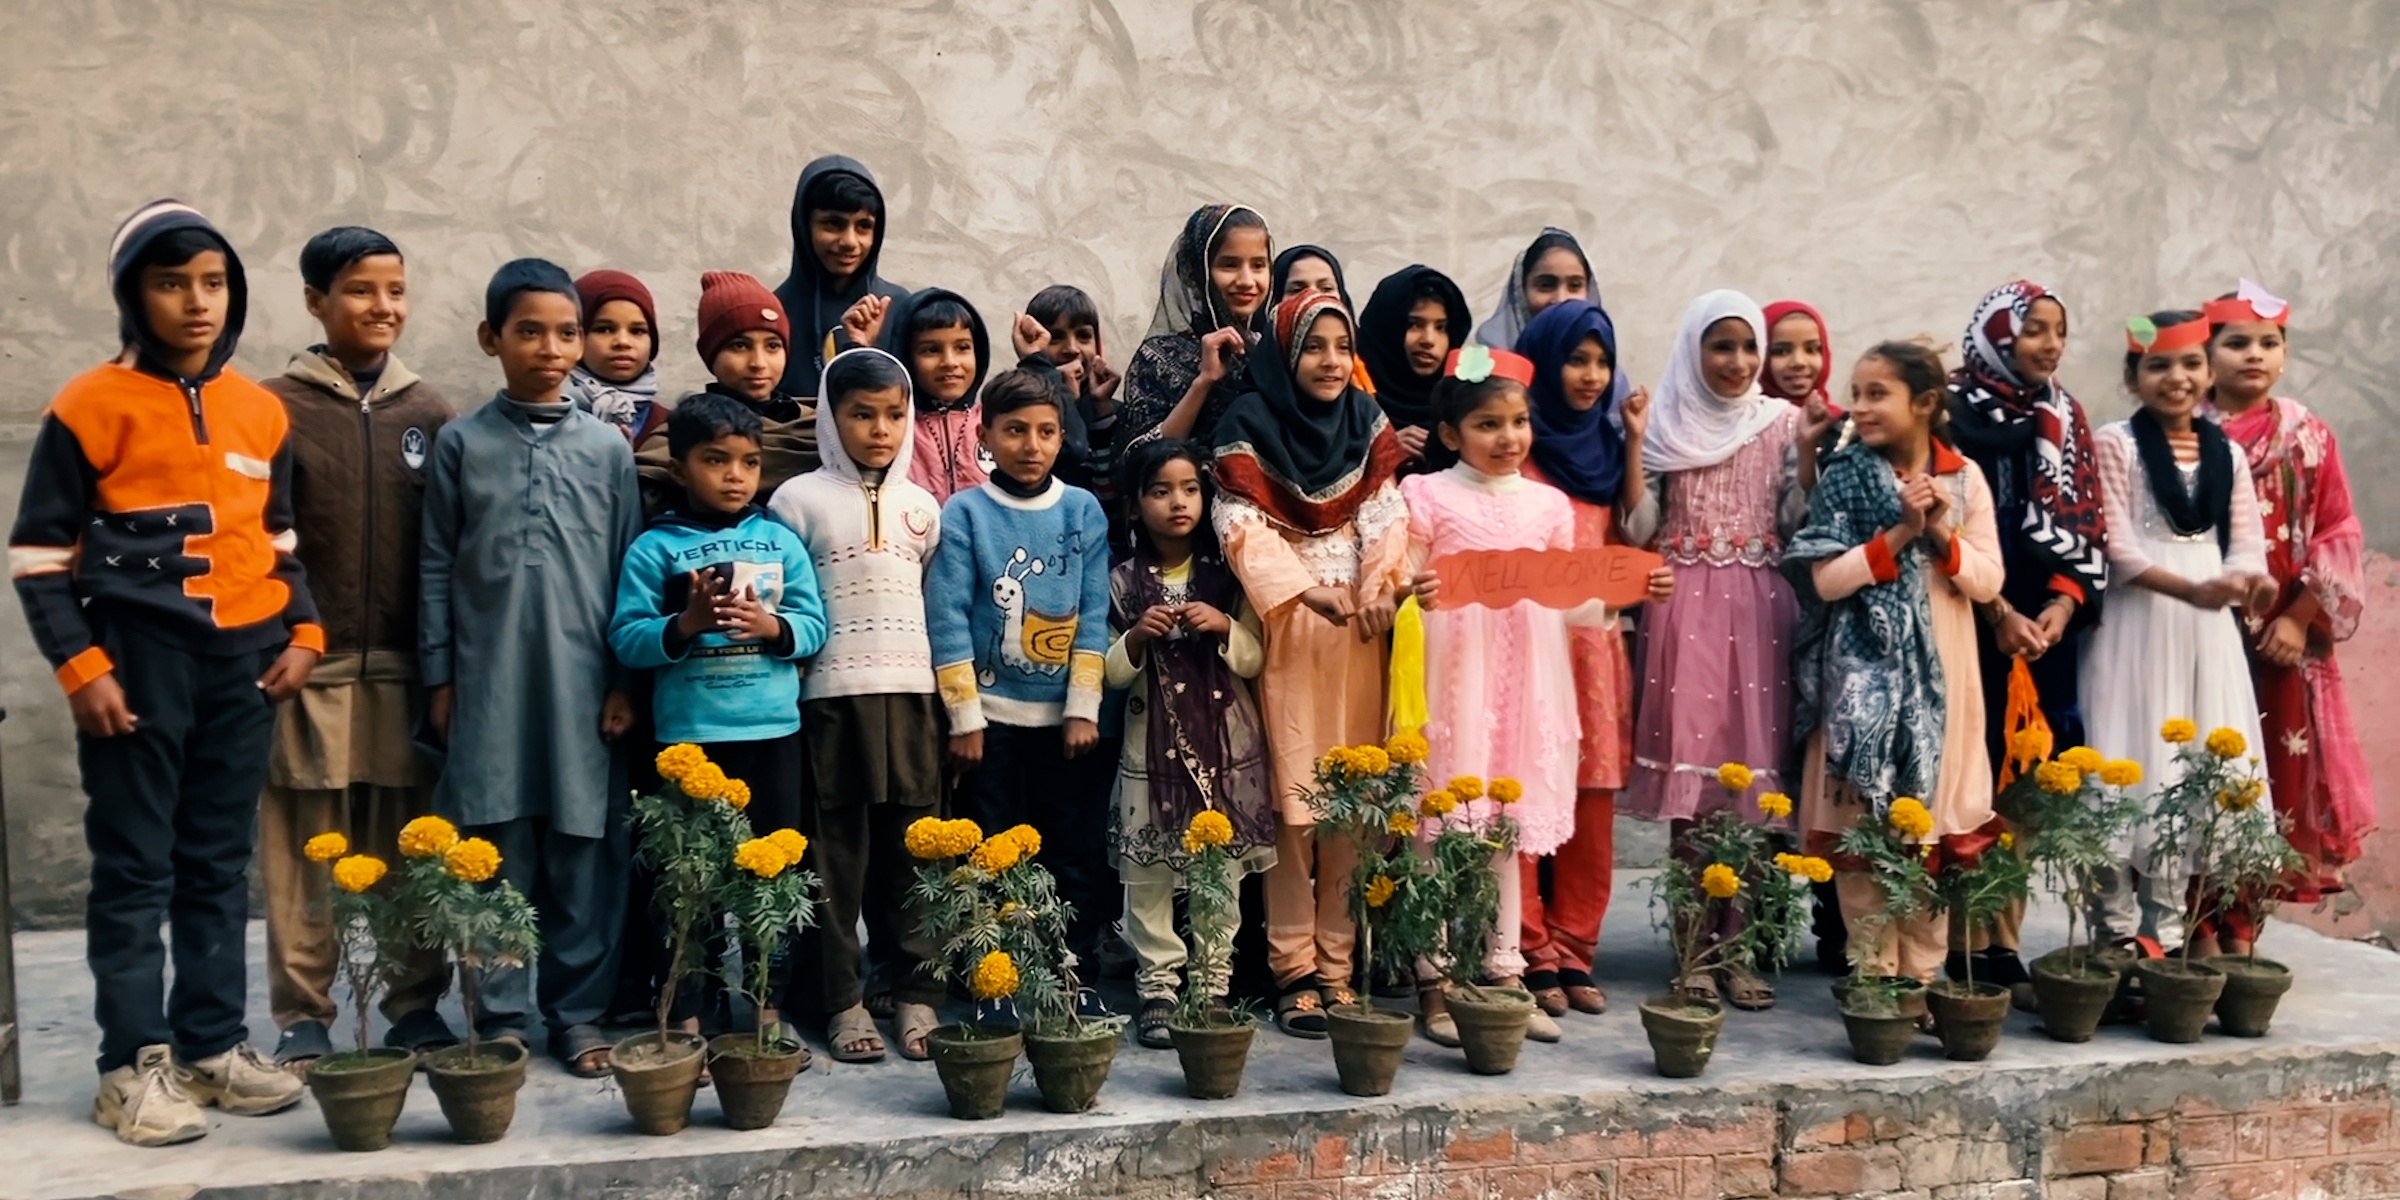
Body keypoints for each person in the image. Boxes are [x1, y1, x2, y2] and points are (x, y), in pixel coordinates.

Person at [10, 199, 321, 1143]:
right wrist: (82, 668)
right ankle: (129, 1065)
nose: (197, 303)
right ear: (130, 293)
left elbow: (282, 540)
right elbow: (38, 558)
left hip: (244, 669)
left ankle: (211, 1046)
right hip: (136, 669)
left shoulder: (259, 411)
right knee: (134, 869)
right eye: (171, 282)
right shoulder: (86, 405)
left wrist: (302, 634)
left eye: (213, 283)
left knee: (216, 867)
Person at [420, 258, 643, 1077]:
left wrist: (626, 681)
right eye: (530, 332)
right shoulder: (462, 442)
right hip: (489, 681)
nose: (551, 349)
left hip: (586, 683)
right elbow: (438, 564)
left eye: (565, 333)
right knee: (495, 842)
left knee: (586, 846)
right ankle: (502, 1013)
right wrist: (440, 679)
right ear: (492, 338)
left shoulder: (607, 450)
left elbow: (629, 567)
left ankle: (577, 1014)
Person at [256, 225, 457, 1073]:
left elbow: (448, 552)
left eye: (396, 291)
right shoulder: (274, 408)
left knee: (411, 839)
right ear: (315, 301)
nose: (384, 307)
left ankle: (414, 1002)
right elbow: (260, 538)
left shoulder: (432, 413)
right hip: (312, 668)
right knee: (306, 848)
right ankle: (304, 1011)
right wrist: (283, 638)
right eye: (362, 291)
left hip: (408, 672)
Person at [1211, 290, 1408, 1038]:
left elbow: (1388, 520)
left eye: (1340, 347)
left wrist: (1378, 589)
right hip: (1289, 635)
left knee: (1349, 811)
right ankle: (1294, 971)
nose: (1329, 362)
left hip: (1361, 634)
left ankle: (1338, 967)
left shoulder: (1367, 422)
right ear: (1286, 355)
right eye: (1314, 348)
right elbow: (1239, 528)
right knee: (1293, 811)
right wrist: (1301, 592)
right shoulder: (1247, 426)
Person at [610, 391, 826, 1038]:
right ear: (680, 469)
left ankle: (766, 1003)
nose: (735, 475)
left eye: (749, 462)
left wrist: (771, 626)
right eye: (715, 460)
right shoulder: (655, 548)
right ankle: (688, 1007)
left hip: (772, 737)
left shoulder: (779, 541)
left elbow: (815, 627)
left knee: (774, 874)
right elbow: (627, 636)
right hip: (689, 743)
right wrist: (685, 624)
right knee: (688, 880)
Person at [1789, 342, 2005, 984]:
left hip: (1946, 675)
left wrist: (1939, 529)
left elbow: (1989, 582)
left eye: (1877, 393)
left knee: (1928, 828)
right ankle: (1876, 980)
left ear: (1926, 403)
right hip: (1863, 680)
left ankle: (1923, 976)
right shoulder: (1846, 477)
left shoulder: (1963, 479)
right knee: (1864, 826)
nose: (1860, 406)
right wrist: (1901, 532)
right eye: (1856, 393)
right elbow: (1827, 582)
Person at [1402, 345, 1598, 1049]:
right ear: (1452, 434)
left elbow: (1571, 601)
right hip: (1452, 681)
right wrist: (1414, 593)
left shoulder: (1548, 505)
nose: (1508, 437)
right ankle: (1434, 976)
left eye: (1517, 422)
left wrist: (1609, 591)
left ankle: (1503, 972)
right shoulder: (1424, 495)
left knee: (1503, 829)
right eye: (1488, 424)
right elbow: (1402, 581)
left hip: (1524, 685)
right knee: (1440, 823)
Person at [1620, 289, 1806, 1010]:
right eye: (1720, 346)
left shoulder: (1784, 423)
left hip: (1761, 611)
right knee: (1695, 795)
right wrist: (1636, 439)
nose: (1737, 362)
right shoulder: (1665, 422)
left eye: (1747, 347)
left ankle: (1742, 949)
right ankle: (1694, 949)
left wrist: (1813, 449)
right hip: (1685, 612)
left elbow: (1797, 519)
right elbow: (1638, 530)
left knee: (1752, 792)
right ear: (1694, 348)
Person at [766, 347, 950, 1061]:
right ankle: (841, 1001)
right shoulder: (797, 501)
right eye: (861, 415)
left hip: (912, 698)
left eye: (894, 415)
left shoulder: (922, 507)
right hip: (831, 700)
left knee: (914, 853)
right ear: (830, 418)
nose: (880, 430)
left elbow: (937, 606)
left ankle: (914, 994)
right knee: (834, 857)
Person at [2081, 310, 2275, 952]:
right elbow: (2121, 550)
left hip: (2206, 631)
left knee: (2187, 771)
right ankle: (2111, 932)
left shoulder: (2228, 452)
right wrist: (2196, 590)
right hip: (2139, 622)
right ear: (2134, 377)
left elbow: (2247, 544)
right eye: (2158, 364)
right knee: (2126, 760)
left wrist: (2251, 581)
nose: (2177, 377)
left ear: (2208, 370)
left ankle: (2161, 935)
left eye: (2191, 362)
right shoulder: (2117, 443)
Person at [926, 368, 1115, 1007]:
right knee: (989, 843)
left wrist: (1083, 707)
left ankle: (1067, 966)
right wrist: (965, 720)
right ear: (985, 435)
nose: (1030, 446)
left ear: (1063, 436)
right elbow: (948, 615)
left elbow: (1093, 612)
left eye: (1045, 432)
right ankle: (991, 969)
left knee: (1069, 848)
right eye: (1014, 431)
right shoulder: (966, 512)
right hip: (990, 725)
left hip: (1064, 721)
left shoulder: (1081, 510)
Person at [1943, 280, 2110, 991]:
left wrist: (2063, 607)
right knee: (1963, 775)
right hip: (1967, 617)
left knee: (2026, 782)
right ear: (1997, 333)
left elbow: (2089, 526)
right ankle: (1954, 938)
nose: (2049, 345)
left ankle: (2002, 941)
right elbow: (1942, 532)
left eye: (2058, 332)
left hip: (2044, 633)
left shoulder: (2065, 417)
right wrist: (1997, 610)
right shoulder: (1946, 414)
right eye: (2034, 329)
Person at [1511, 298, 1670, 1019]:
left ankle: (1577, 947)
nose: (1591, 374)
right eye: (1577, 359)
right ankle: (1530, 947)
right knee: (1529, 792)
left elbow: (1636, 534)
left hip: (1598, 652)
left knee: (1592, 799)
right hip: (1533, 650)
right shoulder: (1517, 443)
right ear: (1545, 363)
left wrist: (1633, 440)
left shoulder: (1605, 447)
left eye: (1602, 360)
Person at [2204, 282, 2374, 908]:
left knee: (2274, 771)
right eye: (2237, 342)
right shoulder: (2184, 434)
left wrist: (2300, 619)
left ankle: (2245, 921)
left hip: (2281, 636)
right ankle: (2193, 922)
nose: (2255, 355)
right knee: (2200, 763)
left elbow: (2338, 530)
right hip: (2203, 627)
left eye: (2269, 343)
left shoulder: (2308, 437)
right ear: (2206, 352)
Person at [1105, 438, 1276, 1049]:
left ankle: (1211, 982)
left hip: (1225, 751)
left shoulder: (1230, 579)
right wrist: (1135, 640)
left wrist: (1226, 624)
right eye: (1159, 491)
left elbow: (1254, 660)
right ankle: (1157, 986)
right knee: (1148, 870)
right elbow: (1108, 672)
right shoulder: (1122, 583)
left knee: (1219, 869)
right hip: (1149, 748)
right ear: (1134, 507)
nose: (1177, 503)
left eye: (1189, 489)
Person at [633, 271, 817, 517]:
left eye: (773, 346)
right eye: (740, 346)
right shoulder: (679, 436)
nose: (759, 363)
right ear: (711, 355)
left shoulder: (820, 429)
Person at [1119, 204, 1274, 450]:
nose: (1247, 280)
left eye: (1258, 265)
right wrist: (1203, 382)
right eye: (1229, 265)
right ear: (1197, 272)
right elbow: (1136, 457)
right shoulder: (1157, 358)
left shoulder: (1272, 352)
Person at [775, 155, 906, 397]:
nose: (849, 242)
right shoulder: (772, 314)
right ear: (804, 226)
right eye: (833, 224)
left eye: (864, 226)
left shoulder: (900, 309)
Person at [871, 287, 994, 503]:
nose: (950, 362)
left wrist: (1037, 363)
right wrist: (862, 349)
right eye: (931, 350)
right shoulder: (895, 426)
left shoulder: (994, 422)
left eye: (962, 347)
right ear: (907, 357)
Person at [1358, 265, 1474, 474]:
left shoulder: (1465, 405)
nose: (1429, 340)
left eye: (1441, 328)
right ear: (1386, 328)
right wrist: (1381, 453)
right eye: (1414, 324)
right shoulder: (1350, 402)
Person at [567, 269, 662, 441]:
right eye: (604, 329)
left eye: (637, 331)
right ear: (576, 337)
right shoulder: (550, 420)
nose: (623, 342)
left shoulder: (673, 427)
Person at [1472, 227, 1596, 351]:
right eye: (1546, 285)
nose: (1560, 299)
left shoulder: (1600, 366)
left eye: (1574, 285)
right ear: (1522, 292)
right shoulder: (1491, 365)